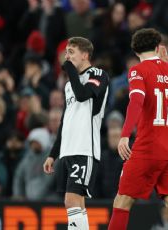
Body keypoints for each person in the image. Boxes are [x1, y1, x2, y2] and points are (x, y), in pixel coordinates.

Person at [108, 28, 168, 230]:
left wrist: (124, 135)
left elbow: (136, 101)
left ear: (135, 52)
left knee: (122, 202)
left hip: (148, 148)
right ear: (159, 47)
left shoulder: (138, 71)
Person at [43, 37, 109, 230]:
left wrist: (70, 69)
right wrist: (52, 154)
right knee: (76, 204)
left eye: (71, 52)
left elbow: (82, 95)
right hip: (67, 150)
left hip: (84, 148)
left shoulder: (98, 74)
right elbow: (65, 121)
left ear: (85, 55)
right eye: (66, 52)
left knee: (71, 201)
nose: (67, 56)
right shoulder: (68, 85)